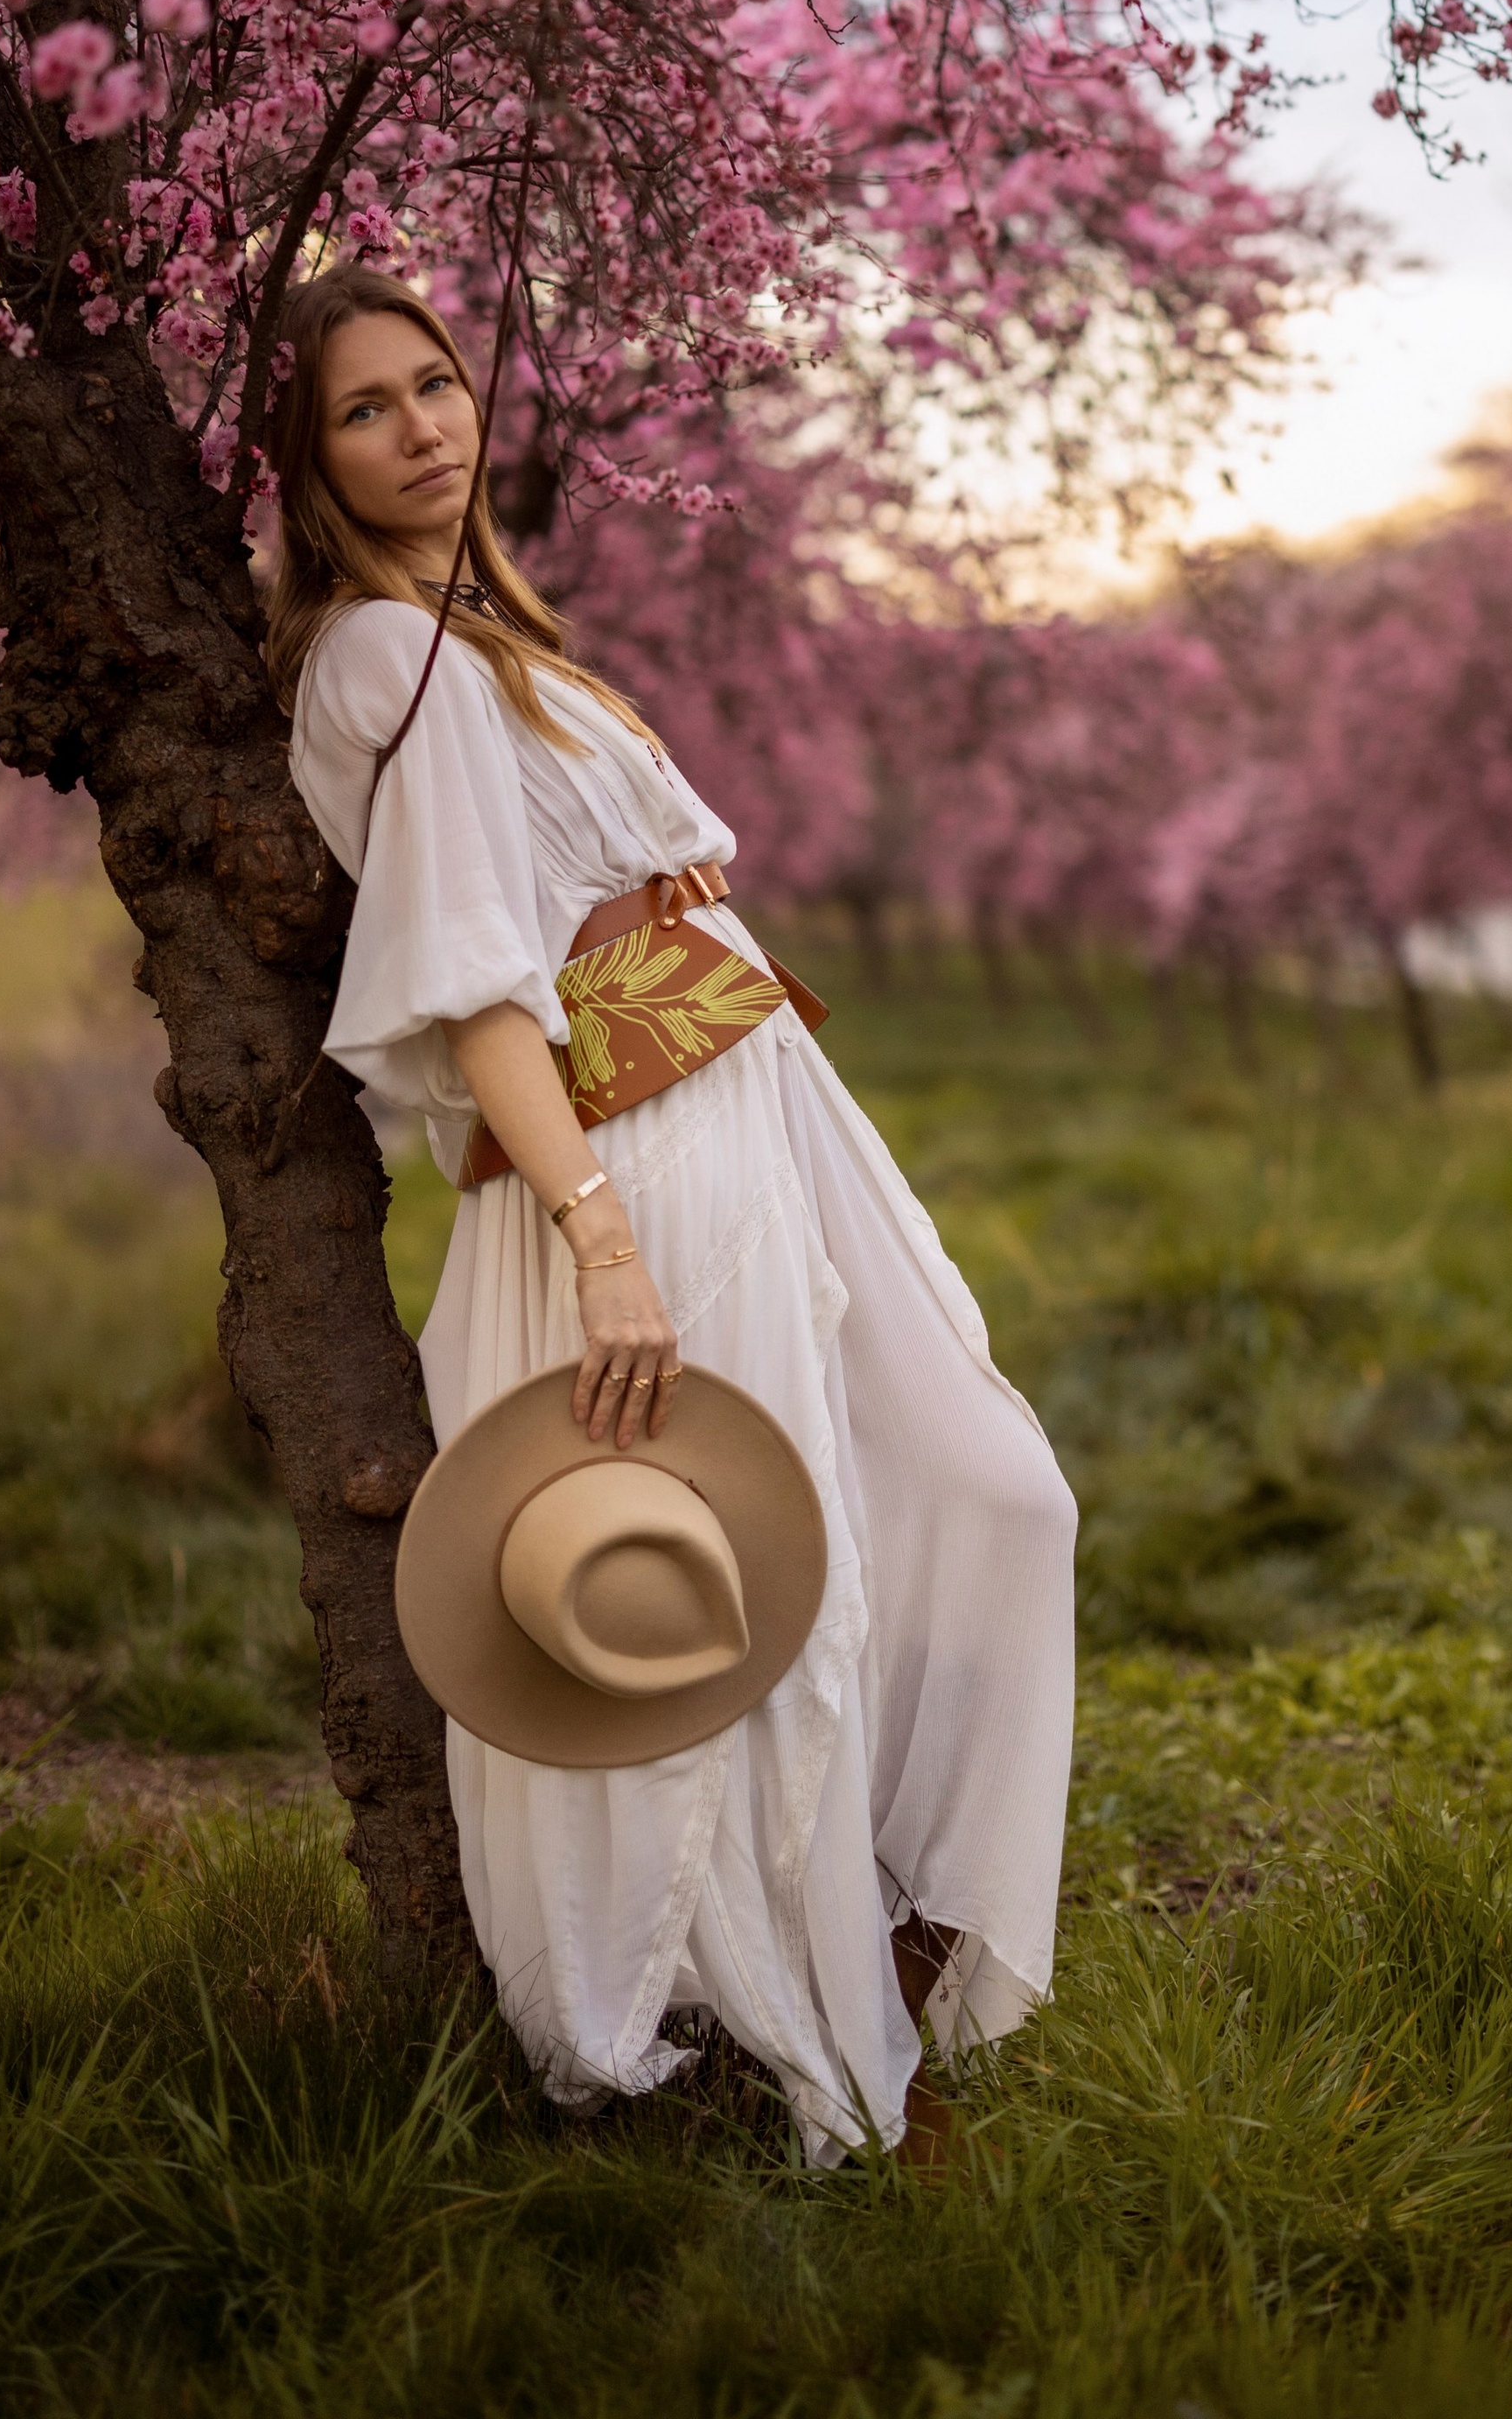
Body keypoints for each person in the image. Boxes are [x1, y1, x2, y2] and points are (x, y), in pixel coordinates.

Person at [264, 263, 1078, 2163]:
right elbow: (480, 985)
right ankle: (770, 2028)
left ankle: (869, 1926)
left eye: (434, 381)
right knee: (737, 1587)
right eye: (364, 409)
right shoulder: (381, 657)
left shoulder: (483, 634)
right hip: (638, 1152)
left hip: (742, 1103)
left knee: (976, 1489)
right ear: (304, 468)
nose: (422, 428)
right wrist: (602, 1236)